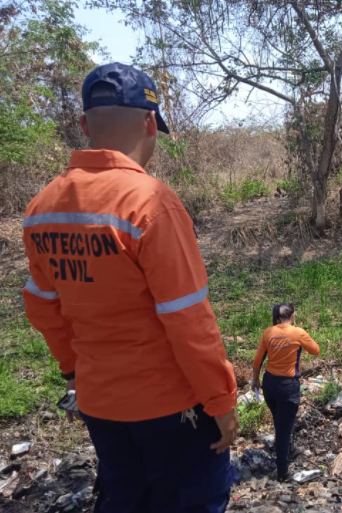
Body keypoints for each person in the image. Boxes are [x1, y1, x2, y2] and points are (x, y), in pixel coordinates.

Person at [22, 63, 238, 513]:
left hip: (100, 403)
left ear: (84, 124)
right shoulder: (151, 203)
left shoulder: (41, 209)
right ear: (148, 123)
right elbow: (188, 319)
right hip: (172, 409)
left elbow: (43, 307)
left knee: (125, 498)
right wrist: (220, 401)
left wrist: (75, 374)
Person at [252, 303, 320, 481]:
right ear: (293, 315)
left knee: (279, 421)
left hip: (269, 384)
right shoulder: (298, 333)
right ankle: (283, 472)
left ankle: (290, 449)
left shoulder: (269, 332)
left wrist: (254, 380)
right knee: (283, 429)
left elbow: (258, 359)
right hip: (287, 386)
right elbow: (316, 350)